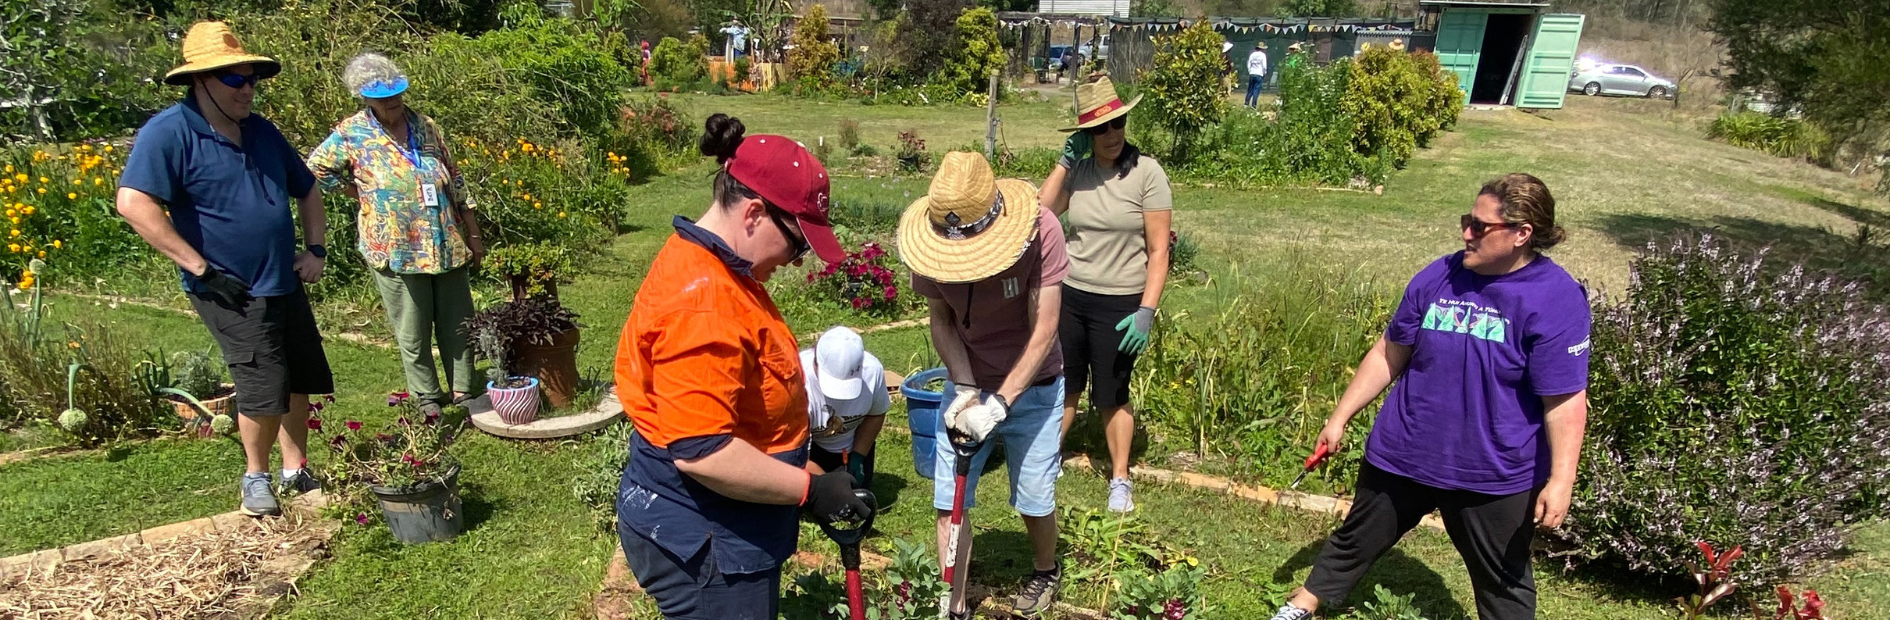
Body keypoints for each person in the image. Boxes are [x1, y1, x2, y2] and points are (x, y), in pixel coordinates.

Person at [1268, 173, 1591, 620]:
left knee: (1504, 580)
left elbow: (1566, 399)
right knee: (1356, 536)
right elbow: (1389, 351)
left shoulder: (1556, 299)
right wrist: (1340, 416)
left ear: (1522, 234)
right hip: (1407, 449)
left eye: (1480, 226)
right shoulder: (1440, 275)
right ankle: (1306, 603)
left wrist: (1561, 480)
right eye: (1466, 220)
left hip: (1492, 471)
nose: (1466, 233)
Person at [614, 113, 871, 620]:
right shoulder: (703, 303)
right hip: (709, 536)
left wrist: (816, 473)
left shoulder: (720, 269)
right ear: (754, 213)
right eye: (798, 243)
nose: (799, 260)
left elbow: (738, 413)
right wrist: (810, 490)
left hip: (721, 518)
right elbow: (704, 454)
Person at [116, 21, 334, 517]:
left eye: (251, 78)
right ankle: (255, 478)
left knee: (298, 375)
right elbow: (132, 203)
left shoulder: (261, 131)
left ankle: (295, 467)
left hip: (283, 276)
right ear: (201, 81)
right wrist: (201, 268)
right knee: (261, 382)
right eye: (235, 79)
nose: (248, 88)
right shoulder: (169, 132)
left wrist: (315, 250)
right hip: (231, 288)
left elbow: (308, 188)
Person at [897, 151, 1070, 618]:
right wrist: (967, 388)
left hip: (1034, 387)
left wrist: (998, 405)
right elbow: (941, 320)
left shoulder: (1042, 231)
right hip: (967, 382)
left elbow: (1045, 329)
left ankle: (1046, 567)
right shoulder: (929, 244)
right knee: (947, 499)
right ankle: (953, 605)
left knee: (1033, 497)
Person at [307, 53, 485, 418]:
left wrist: (474, 231)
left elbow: (454, 174)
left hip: (445, 240)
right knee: (413, 326)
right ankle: (427, 396)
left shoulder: (426, 125)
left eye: (396, 93)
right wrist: (359, 192)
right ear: (364, 97)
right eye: (382, 96)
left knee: (458, 320)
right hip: (394, 246)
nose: (392, 102)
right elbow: (314, 169)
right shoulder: (352, 133)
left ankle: (464, 389)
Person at [1036, 76, 1172, 513]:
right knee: (1065, 385)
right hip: (1072, 295)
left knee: (1112, 393)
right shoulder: (1079, 171)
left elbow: (1157, 251)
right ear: (1084, 134)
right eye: (1099, 129)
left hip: (1121, 303)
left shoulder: (1147, 174)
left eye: (1117, 124)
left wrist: (1146, 310)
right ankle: (1047, 457)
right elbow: (1042, 211)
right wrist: (1063, 162)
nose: (1111, 135)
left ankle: (1119, 478)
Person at [801, 326, 891, 489]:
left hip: (852, 446)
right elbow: (796, 456)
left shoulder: (872, 371)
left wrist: (858, 456)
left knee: (858, 488)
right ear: (816, 362)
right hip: (808, 451)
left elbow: (875, 414)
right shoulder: (798, 383)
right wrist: (832, 487)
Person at [1245, 42, 1270, 107]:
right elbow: (1264, 66)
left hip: (1252, 73)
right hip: (1259, 74)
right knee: (1256, 90)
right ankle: (1254, 105)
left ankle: (1246, 103)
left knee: (1250, 89)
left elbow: (1248, 64)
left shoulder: (1252, 54)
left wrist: (1250, 71)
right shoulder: (1263, 55)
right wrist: (1264, 73)